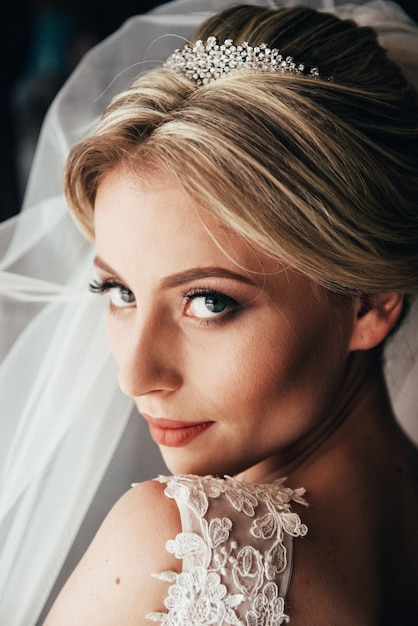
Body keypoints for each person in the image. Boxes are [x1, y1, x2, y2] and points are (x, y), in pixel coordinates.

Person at [36, 1, 418, 624]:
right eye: (119, 293)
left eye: (208, 301)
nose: (137, 377)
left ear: (369, 303)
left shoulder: (183, 550)